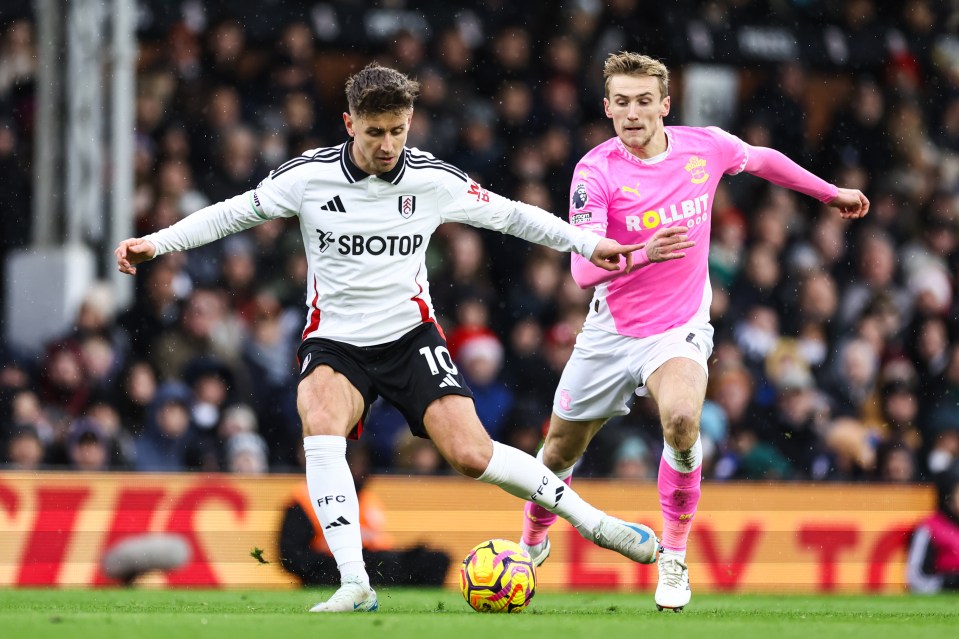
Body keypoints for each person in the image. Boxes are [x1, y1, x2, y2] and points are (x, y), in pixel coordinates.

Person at [115, 62, 659, 613]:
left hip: (409, 336)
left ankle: (595, 523)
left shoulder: (432, 180)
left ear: (410, 123)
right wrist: (156, 244)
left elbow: (513, 216)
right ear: (349, 123)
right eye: (375, 132)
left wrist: (588, 244)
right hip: (335, 341)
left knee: (471, 454)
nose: (388, 144)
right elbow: (233, 214)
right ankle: (354, 583)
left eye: (398, 131)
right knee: (320, 421)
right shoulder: (307, 177)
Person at [516, 51, 870, 612]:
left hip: (678, 327)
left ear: (665, 104)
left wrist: (829, 193)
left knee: (682, 421)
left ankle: (675, 559)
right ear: (607, 108)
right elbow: (583, 271)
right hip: (611, 331)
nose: (632, 113)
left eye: (643, 101)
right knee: (559, 449)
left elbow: (762, 159)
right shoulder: (595, 171)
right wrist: (641, 254)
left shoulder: (704, 147)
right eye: (621, 103)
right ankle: (531, 541)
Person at [279, 442, 451, 586]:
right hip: (332, 566)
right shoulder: (307, 499)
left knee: (435, 560)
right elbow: (292, 556)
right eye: (355, 463)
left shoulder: (369, 499)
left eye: (363, 463)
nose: (359, 471)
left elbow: (381, 545)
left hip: (375, 561)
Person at [907, 463, 959, 593]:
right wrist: (949, 583)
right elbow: (914, 578)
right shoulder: (929, 528)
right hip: (943, 597)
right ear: (948, 496)